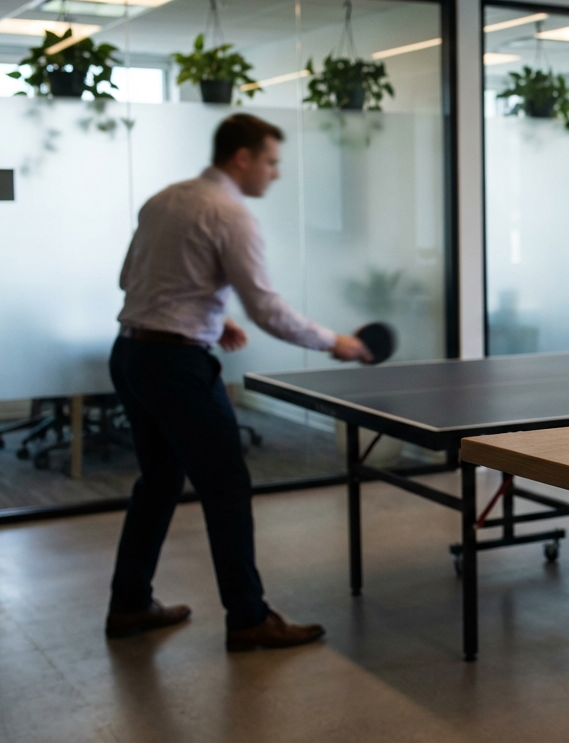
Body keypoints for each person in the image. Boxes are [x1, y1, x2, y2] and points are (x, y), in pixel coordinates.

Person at [104, 113, 372, 651]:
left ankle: (129, 604)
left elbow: (130, 278)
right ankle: (249, 618)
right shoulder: (232, 213)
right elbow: (266, 308)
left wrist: (208, 315)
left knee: (157, 482)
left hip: (132, 354)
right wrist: (335, 342)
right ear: (242, 158)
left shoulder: (165, 199)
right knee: (225, 486)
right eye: (271, 162)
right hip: (176, 367)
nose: (275, 174)